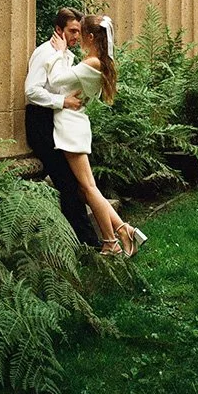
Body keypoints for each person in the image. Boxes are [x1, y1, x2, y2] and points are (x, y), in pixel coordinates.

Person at [46, 14, 147, 257]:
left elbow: (55, 79)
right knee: (87, 188)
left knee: (89, 189)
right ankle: (125, 231)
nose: (77, 37)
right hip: (75, 125)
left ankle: (111, 242)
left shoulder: (92, 63)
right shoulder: (97, 62)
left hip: (70, 126)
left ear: (91, 36)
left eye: (80, 32)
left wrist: (59, 52)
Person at [25, 8, 100, 247]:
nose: (77, 36)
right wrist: (63, 101)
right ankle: (90, 243)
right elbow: (31, 91)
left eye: (79, 31)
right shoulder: (44, 53)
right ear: (59, 30)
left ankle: (89, 240)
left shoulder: (66, 56)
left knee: (77, 183)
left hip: (58, 122)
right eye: (72, 31)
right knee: (68, 183)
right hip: (40, 123)